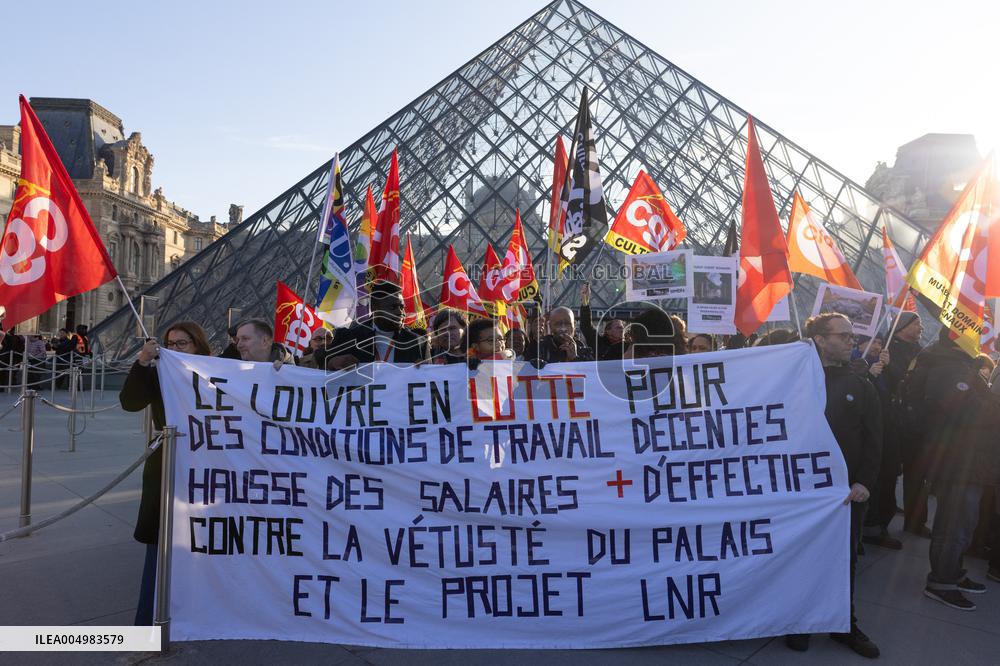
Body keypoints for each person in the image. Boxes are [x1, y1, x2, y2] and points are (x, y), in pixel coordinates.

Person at [786, 313, 881, 658]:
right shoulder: (793, 379)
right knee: (800, 555)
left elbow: (875, 440)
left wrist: (864, 482)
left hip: (844, 494)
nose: (851, 342)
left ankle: (844, 622)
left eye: (853, 336)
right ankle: (800, 620)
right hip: (799, 489)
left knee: (843, 560)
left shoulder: (860, 385)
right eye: (843, 335)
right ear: (821, 339)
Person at [119, 321, 212, 625]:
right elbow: (130, 403)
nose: (173, 349)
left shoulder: (217, 373)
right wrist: (143, 361)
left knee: (201, 540)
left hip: (206, 468)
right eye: (169, 344)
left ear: (197, 345)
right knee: (159, 542)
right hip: (167, 463)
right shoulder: (158, 374)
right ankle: (147, 620)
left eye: (181, 343)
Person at [911, 328, 999, 611]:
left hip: (970, 461)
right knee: (953, 525)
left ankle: (954, 573)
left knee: (964, 523)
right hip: (959, 461)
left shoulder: (962, 366)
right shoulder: (949, 368)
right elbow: (967, 410)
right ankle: (942, 582)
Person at [853, 337, 902, 550]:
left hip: (885, 430)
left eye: (880, 343)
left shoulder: (882, 364)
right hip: (864, 435)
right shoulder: (855, 364)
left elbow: (895, 389)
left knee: (884, 481)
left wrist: (889, 368)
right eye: (872, 342)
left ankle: (875, 526)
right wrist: (868, 376)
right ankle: (865, 530)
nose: (877, 347)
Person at [883, 311, 929, 537]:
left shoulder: (922, 352)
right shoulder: (886, 348)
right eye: (916, 323)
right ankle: (881, 519)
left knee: (917, 474)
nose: (921, 327)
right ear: (902, 326)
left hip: (915, 423)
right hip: (892, 420)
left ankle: (916, 521)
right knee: (889, 471)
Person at [317, 280, 429, 369]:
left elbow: (431, 382)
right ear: (375, 308)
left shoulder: (418, 342)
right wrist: (332, 363)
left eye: (402, 307)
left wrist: (424, 371)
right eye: (393, 307)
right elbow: (319, 367)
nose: (400, 312)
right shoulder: (348, 337)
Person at [524, 306, 594, 364]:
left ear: (574, 325)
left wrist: (574, 358)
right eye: (558, 324)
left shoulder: (584, 351)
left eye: (567, 323)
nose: (563, 328)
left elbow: (591, 375)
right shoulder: (540, 348)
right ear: (550, 326)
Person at [579, 283, 626, 360]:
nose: (622, 330)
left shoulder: (629, 345)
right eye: (618, 328)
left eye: (622, 328)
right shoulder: (599, 343)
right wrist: (585, 301)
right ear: (608, 331)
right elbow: (586, 326)